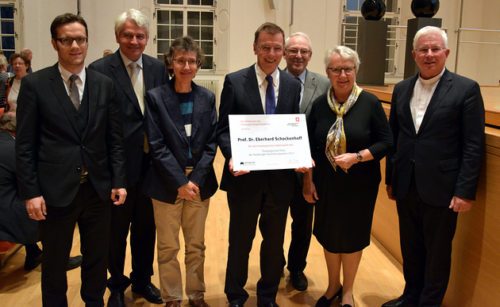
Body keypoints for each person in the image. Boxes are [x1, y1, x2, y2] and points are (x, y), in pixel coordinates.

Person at [15, 13, 127, 306]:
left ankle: (93, 302)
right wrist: (31, 193)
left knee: (96, 260)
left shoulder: (104, 85)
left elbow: (114, 139)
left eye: (80, 39)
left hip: (98, 190)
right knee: (54, 265)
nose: (75, 45)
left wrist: (119, 181)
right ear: (55, 43)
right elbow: (25, 145)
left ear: (87, 42)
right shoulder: (35, 85)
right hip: (54, 192)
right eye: (67, 40)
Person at [383, 26, 485, 307]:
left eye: (435, 49)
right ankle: (410, 295)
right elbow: (396, 138)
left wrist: (464, 190)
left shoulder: (466, 89)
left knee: (437, 252)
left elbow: (473, 145)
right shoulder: (402, 88)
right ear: (413, 54)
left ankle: (429, 302)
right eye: (423, 50)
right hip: (406, 184)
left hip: (443, 187)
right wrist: (391, 179)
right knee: (411, 248)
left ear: (446, 53)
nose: (429, 55)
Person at [217, 22, 302, 307]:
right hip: (245, 178)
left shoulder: (291, 84)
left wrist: (299, 155)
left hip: (279, 180)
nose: (271, 53)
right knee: (240, 240)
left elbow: (292, 128)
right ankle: (236, 295)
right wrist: (233, 155)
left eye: (277, 48)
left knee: (274, 242)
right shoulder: (234, 80)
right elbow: (223, 130)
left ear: (284, 51)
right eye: (265, 47)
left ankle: (267, 296)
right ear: (255, 48)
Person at [89, 8, 167, 306]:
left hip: (151, 167)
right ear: (117, 36)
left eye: (140, 35)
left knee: (147, 230)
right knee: (116, 232)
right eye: (128, 35)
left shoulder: (158, 68)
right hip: (117, 169)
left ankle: (142, 280)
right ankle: (117, 285)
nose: (134, 41)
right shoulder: (99, 70)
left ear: (148, 38)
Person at [303, 46, 392, 307]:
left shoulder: (370, 103)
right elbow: (307, 146)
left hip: (360, 185)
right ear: (327, 72)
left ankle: (349, 291)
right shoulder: (320, 105)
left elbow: (387, 142)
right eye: (336, 69)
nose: (342, 74)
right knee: (330, 235)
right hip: (326, 184)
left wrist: (359, 156)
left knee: (352, 237)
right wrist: (307, 181)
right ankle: (333, 286)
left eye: (348, 69)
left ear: (355, 70)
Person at [143, 36, 218, 307]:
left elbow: (211, 144)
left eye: (191, 61)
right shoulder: (155, 98)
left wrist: (194, 180)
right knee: (167, 247)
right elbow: (156, 144)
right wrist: (179, 182)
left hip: (199, 182)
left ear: (198, 64)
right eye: (180, 60)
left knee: (196, 245)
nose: (186, 66)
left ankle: (196, 295)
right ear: (170, 63)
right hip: (166, 182)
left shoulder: (207, 97)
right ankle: (172, 296)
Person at [0, 112, 83, 271]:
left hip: (5, 205)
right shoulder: (13, 149)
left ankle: (33, 254)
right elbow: (31, 179)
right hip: (6, 217)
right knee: (49, 205)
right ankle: (59, 260)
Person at [282, 31, 330, 291]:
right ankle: (274, 261)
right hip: (275, 168)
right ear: (284, 53)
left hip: (307, 169)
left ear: (310, 56)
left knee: (302, 223)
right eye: (293, 50)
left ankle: (297, 268)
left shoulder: (323, 84)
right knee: (271, 220)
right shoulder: (271, 80)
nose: (298, 55)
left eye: (303, 51)